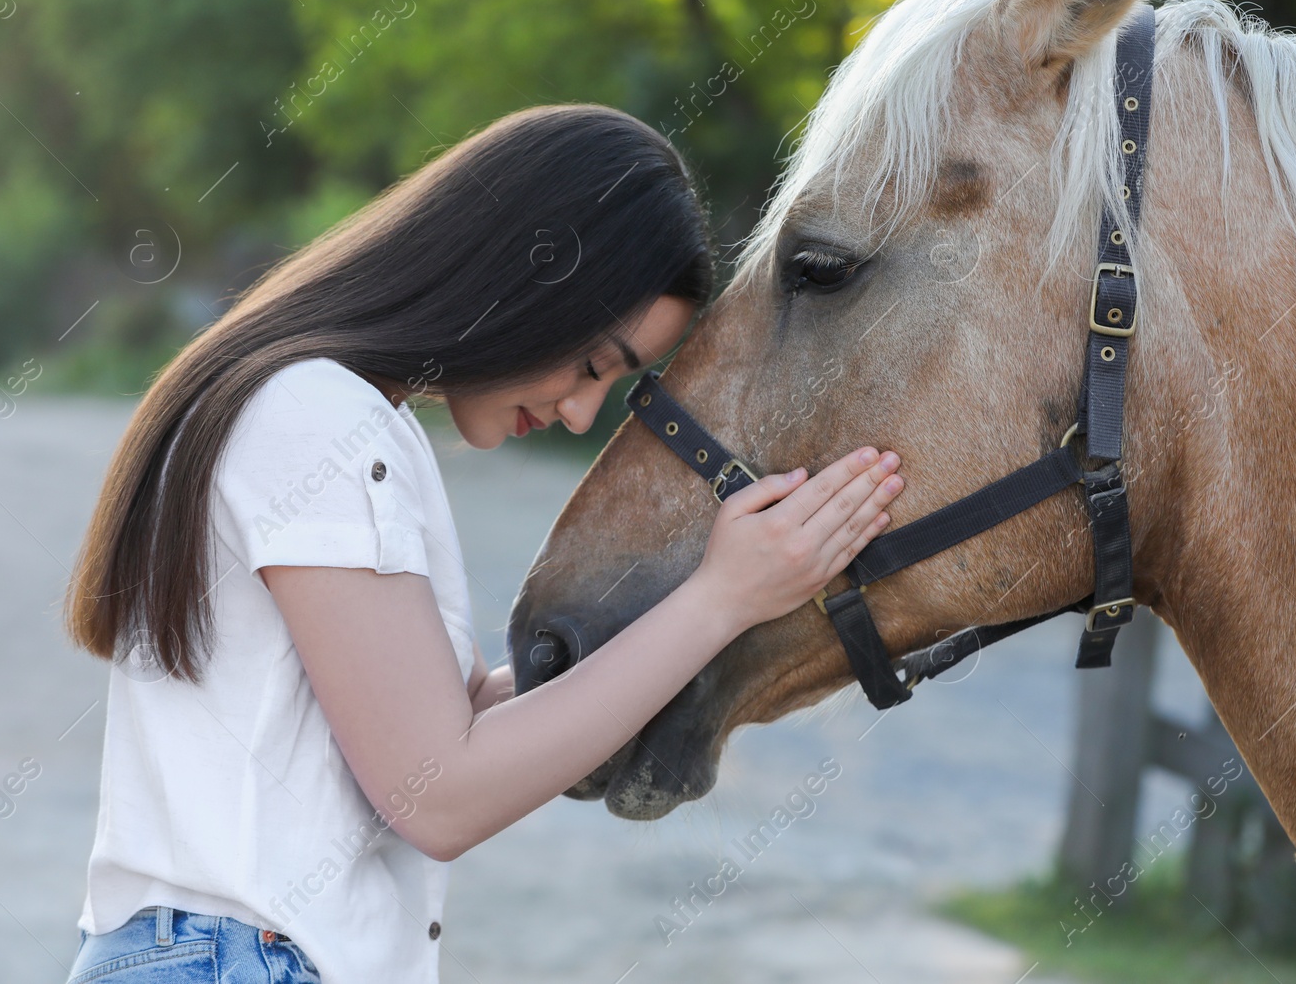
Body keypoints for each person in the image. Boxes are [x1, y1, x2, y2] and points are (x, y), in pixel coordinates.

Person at [61, 103, 906, 984]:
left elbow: (448, 727)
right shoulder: (320, 421)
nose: (581, 413)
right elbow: (441, 792)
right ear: (521, 277)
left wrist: (720, 589)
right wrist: (720, 597)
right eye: (590, 365)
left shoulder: (328, 411)